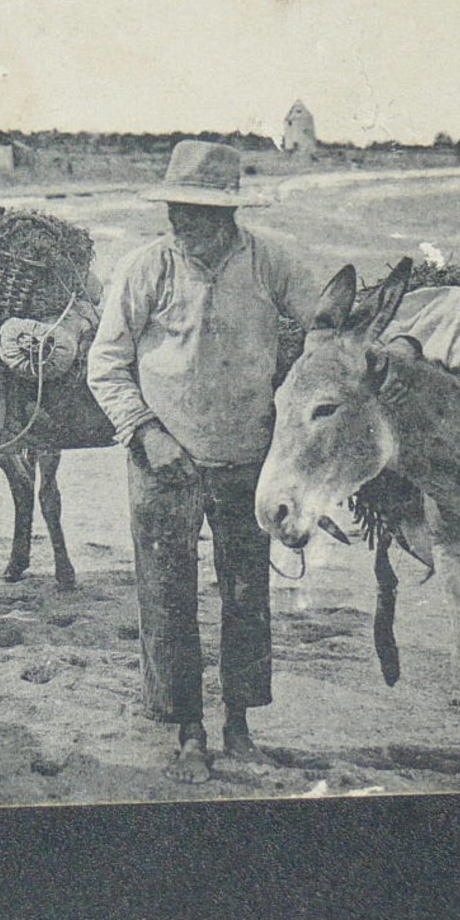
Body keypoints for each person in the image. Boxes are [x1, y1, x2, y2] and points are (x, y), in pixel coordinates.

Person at [86, 140, 316, 783]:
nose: (184, 223)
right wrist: (146, 433)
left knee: (246, 593)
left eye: (199, 211)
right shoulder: (146, 267)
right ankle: (187, 729)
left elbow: (327, 323)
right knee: (166, 596)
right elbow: (105, 364)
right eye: (177, 209)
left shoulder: (270, 260)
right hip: (163, 459)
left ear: (228, 215)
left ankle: (239, 726)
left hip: (249, 457)